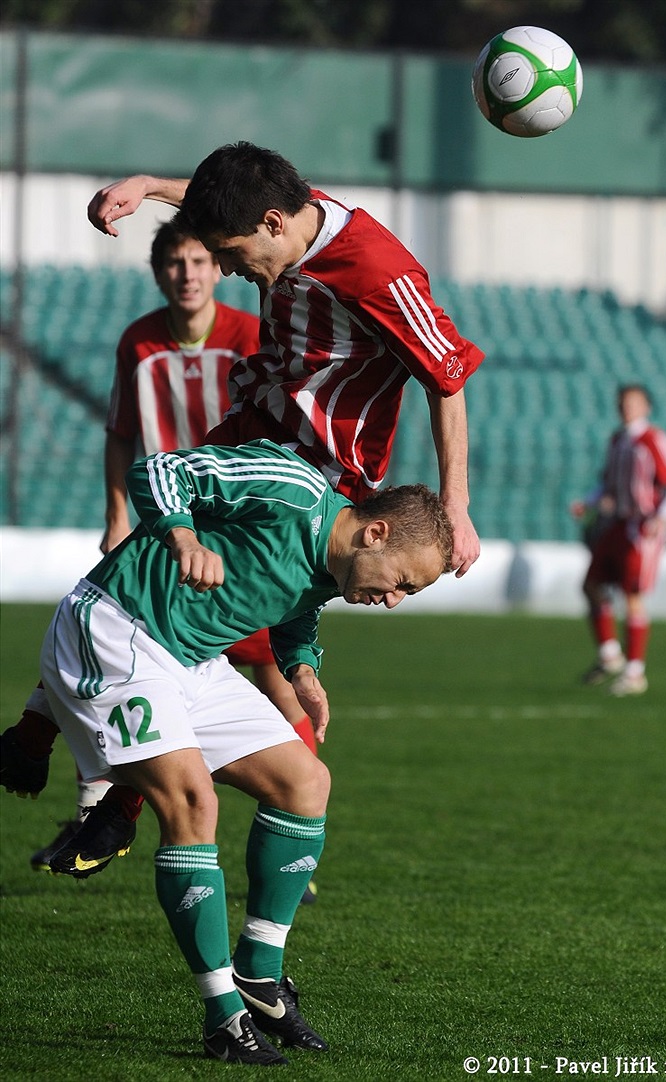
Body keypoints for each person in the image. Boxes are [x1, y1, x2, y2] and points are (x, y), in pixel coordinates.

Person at [2, 140, 485, 870]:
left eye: (229, 255)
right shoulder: (284, 210)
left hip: (322, 472)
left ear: (271, 225)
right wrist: (149, 185)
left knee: (221, 628)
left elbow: (446, 377)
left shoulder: (377, 269)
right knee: (136, 587)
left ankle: (128, 803)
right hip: (257, 428)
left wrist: (456, 509)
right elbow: (234, 195)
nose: (227, 270)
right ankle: (54, 746)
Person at [38, 437, 454, 1064]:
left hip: (192, 658)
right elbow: (159, 469)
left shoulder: (332, 567)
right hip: (120, 629)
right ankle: (223, 1015)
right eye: (402, 583)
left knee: (305, 783)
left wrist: (303, 670)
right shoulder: (291, 487)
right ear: (376, 534)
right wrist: (184, 538)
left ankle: (259, 973)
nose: (394, 599)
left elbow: (295, 607)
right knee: (191, 804)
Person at [13, 220, 318, 877]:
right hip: (163, 521)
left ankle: (293, 824)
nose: (188, 273)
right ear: (160, 274)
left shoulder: (249, 336)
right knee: (109, 646)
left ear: (218, 269)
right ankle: (96, 809)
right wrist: (117, 511)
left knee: (265, 667)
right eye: (176, 263)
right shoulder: (139, 340)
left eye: (200, 261)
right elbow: (122, 432)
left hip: (230, 529)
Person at [570, 384, 666, 695]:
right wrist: (589, 501)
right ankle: (610, 655)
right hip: (617, 523)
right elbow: (608, 483)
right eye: (624, 402)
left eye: (634, 402)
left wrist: (663, 516)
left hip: (642, 529)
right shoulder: (618, 440)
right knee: (592, 585)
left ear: (646, 407)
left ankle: (635, 673)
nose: (627, 407)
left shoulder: (653, 439)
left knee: (632, 596)